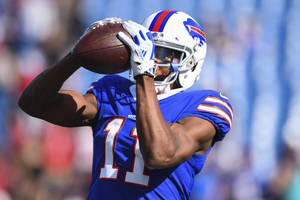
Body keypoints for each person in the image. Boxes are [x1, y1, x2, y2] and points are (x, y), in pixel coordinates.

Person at [18, 10, 233, 200]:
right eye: (150, 50)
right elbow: (34, 104)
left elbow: (160, 154)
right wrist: (76, 56)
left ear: (191, 63)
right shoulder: (113, 92)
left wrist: (143, 75)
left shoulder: (202, 106)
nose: (153, 60)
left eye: (164, 53)